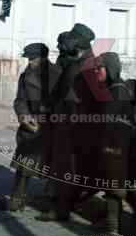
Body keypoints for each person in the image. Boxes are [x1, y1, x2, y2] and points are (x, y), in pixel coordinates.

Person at [36, 23, 96, 222]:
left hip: (74, 126)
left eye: (70, 38)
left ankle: (63, 208)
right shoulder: (76, 63)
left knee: (67, 167)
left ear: (78, 42)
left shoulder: (88, 66)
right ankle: (64, 202)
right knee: (64, 166)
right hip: (65, 122)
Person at [0, 43, 61, 212]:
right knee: (23, 165)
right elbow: (20, 100)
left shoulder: (58, 75)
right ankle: (17, 199)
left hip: (52, 126)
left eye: (33, 59)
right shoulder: (26, 76)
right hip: (31, 125)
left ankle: (53, 204)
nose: (30, 62)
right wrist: (24, 116)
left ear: (44, 58)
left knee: (52, 166)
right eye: (28, 59)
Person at [94, 52, 136, 234]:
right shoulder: (112, 89)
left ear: (110, 69)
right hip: (115, 147)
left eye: (99, 68)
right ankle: (112, 223)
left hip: (122, 148)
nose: (96, 72)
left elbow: (112, 123)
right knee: (113, 186)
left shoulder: (118, 91)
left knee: (122, 187)